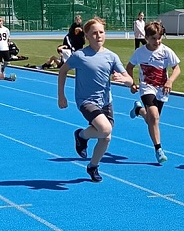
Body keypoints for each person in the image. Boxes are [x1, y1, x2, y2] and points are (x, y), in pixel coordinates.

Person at [57, 17, 133, 183]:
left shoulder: (111, 57)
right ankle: (82, 136)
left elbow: (130, 80)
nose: (98, 36)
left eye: (101, 32)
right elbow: (62, 72)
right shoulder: (80, 55)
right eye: (94, 33)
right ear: (87, 36)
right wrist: (61, 95)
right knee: (105, 129)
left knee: (106, 137)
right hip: (86, 101)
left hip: (105, 102)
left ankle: (92, 164)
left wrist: (124, 79)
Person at [126, 21, 181, 164]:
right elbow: (129, 67)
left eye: (159, 38)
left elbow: (177, 68)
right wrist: (132, 83)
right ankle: (158, 149)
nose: (157, 41)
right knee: (154, 117)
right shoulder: (139, 52)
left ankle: (138, 110)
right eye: (153, 38)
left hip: (162, 89)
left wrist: (170, 81)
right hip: (146, 87)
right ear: (146, 38)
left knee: (152, 120)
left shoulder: (166, 51)